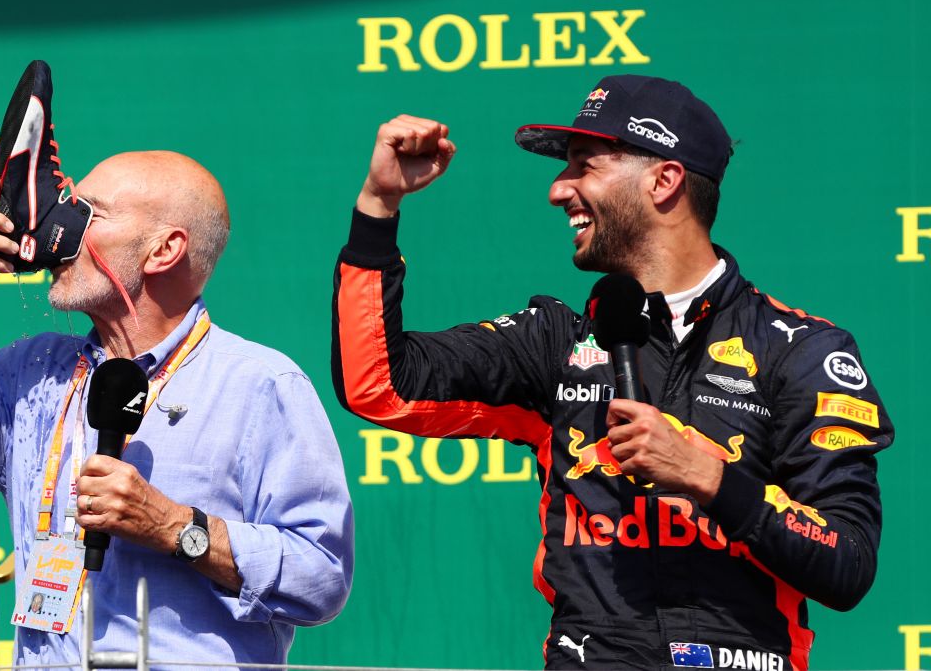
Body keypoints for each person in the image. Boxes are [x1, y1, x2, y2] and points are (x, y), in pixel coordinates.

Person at [331, 75, 891, 670]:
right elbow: (379, 383)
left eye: (583, 166)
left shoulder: (800, 351)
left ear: (664, 180)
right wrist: (377, 208)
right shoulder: (556, 343)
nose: (557, 190)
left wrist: (708, 477)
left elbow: (847, 563)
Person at [0, 151, 353, 669]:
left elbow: (322, 576)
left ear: (164, 249)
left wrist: (175, 527)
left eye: (89, 212)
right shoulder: (34, 371)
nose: (59, 226)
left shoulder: (259, 384)